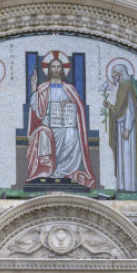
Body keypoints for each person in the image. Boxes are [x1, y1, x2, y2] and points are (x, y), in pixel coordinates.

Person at [26, 56, 96, 186]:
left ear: (63, 70)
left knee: (72, 133)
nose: (56, 69)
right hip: (48, 123)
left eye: (59, 67)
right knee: (44, 133)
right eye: (53, 66)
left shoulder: (69, 88)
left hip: (65, 122)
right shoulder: (43, 88)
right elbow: (35, 108)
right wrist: (33, 86)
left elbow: (79, 108)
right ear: (49, 69)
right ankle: (48, 170)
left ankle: (63, 170)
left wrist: (69, 103)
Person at [103, 63, 137, 192]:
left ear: (120, 74)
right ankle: (122, 186)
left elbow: (130, 109)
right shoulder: (123, 86)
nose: (112, 76)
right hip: (121, 126)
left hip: (127, 128)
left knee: (128, 156)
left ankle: (130, 187)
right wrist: (110, 106)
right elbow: (120, 108)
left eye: (114, 73)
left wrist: (127, 128)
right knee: (123, 157)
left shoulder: (127, 86)